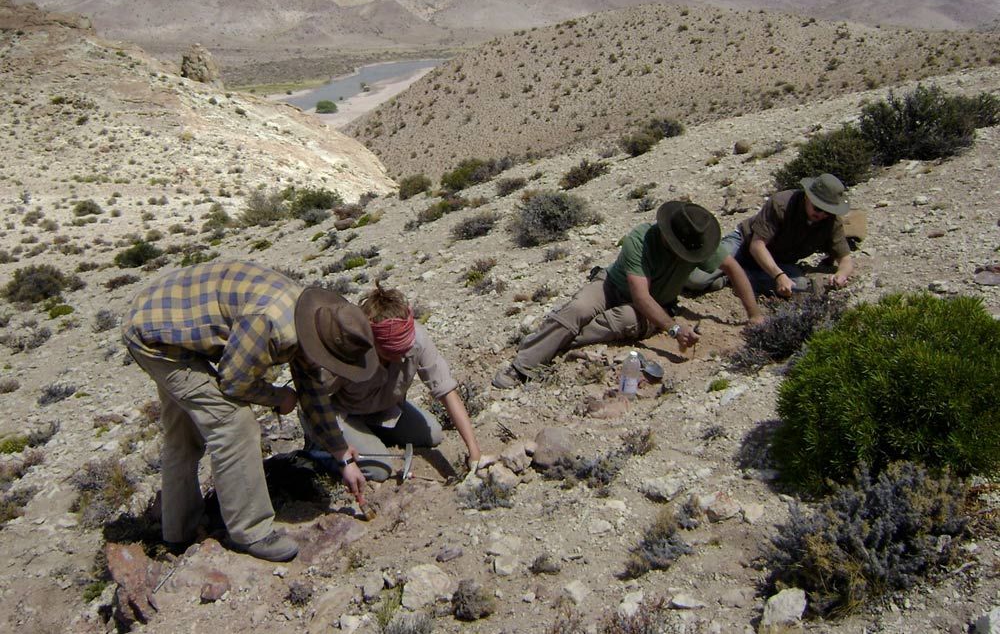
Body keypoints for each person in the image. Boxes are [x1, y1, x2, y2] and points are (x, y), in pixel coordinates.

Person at [122, 260, 379, 562]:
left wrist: (341, 456)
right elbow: (233, 382)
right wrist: (276, 397)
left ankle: (178, 535)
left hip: (169, 321)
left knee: (184, 433)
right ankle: (250, 531)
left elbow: (312, 391)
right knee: (234, 422)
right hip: (155, 336)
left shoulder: (312, 319)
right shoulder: (272, 323)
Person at [493, 201, 763, 389]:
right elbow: (640, 295)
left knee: (619, 320)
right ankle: (523, 366)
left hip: (657, 305)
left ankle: (556, 346)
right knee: (578, 308)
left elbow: (733, 268)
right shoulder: (641, 239)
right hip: (612, 286)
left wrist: (754, 314)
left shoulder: (699, 244)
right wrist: (675, 329)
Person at [302, 282, 485, 481]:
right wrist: (339, 449)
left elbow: (446, 391)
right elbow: (313, 399)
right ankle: (319, 449)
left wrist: (474, 451)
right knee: (379, 470)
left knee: (433, 434)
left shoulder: (417, 339)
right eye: (391, 353)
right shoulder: (349, 349)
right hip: (343, 415)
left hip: (385, 409)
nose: (400, 358)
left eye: (404, 351)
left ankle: (369, 438)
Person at [686, 173, 855, 298]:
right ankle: (734, 273)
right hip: (743, 245)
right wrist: (779, 276)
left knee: (801, 284)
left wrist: (842, 274)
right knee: (696, 280)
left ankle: (733, 278)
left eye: (828, 211)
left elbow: (845, 259)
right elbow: (757, 246)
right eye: (818, 208)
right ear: (807, 197)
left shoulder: (831, 222)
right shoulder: (781, 204)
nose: (822, 215)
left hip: (774, 261)